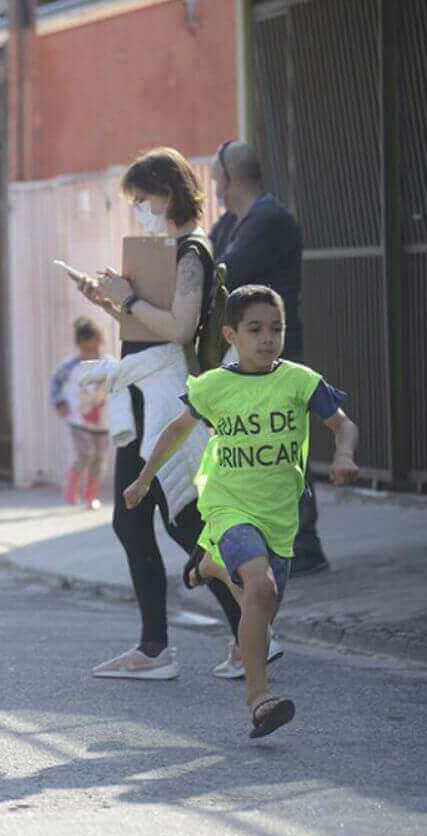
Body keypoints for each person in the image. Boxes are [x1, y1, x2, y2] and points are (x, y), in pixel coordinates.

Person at [124, 285, 358, 737]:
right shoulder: (214, 386)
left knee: (263, 608)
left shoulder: (300, 381)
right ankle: (259, 697)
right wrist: (144, 478)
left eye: (276, 329)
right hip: (228, 504)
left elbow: (342, 424)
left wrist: (345, 454)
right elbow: (175, 432)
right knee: (259, 583)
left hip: (279, 514)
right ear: (231, 334)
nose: (267, 338)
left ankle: (209, 563)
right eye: (255, 330)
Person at [71, 146, 254, 681]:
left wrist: (126, 302)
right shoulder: (165, 250)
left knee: (179, 520)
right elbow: (150, 323)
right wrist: (109, 300)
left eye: (143, 199)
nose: (139, 209)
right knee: (138, 522)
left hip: (167, 403)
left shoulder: (190, 251)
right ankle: (161, 647)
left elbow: (178, 328)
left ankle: (244, 629)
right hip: (144, 399)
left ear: (170, 193)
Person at [209, 140, 327, 577]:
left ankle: (305, 545)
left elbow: (223, 274)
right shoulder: (232, 223)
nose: (215, 182)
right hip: (245, 359)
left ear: (228, 176)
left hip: (276, 355)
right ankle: (274, 541)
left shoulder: (267, 219)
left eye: (217, 174)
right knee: (259, 450)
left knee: (284, 448)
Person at [49, 317, 113, 509]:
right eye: (86, 350)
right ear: (79, 346)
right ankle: (72, 487)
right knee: (85, 454)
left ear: (99, 344)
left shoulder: (108, 365)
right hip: (78, 419)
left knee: (99, 458)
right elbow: (55, 385)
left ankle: (91, 495)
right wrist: (59, 402)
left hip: (103, 421)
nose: (90, 354)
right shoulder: (69, 366)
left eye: (93, 349)